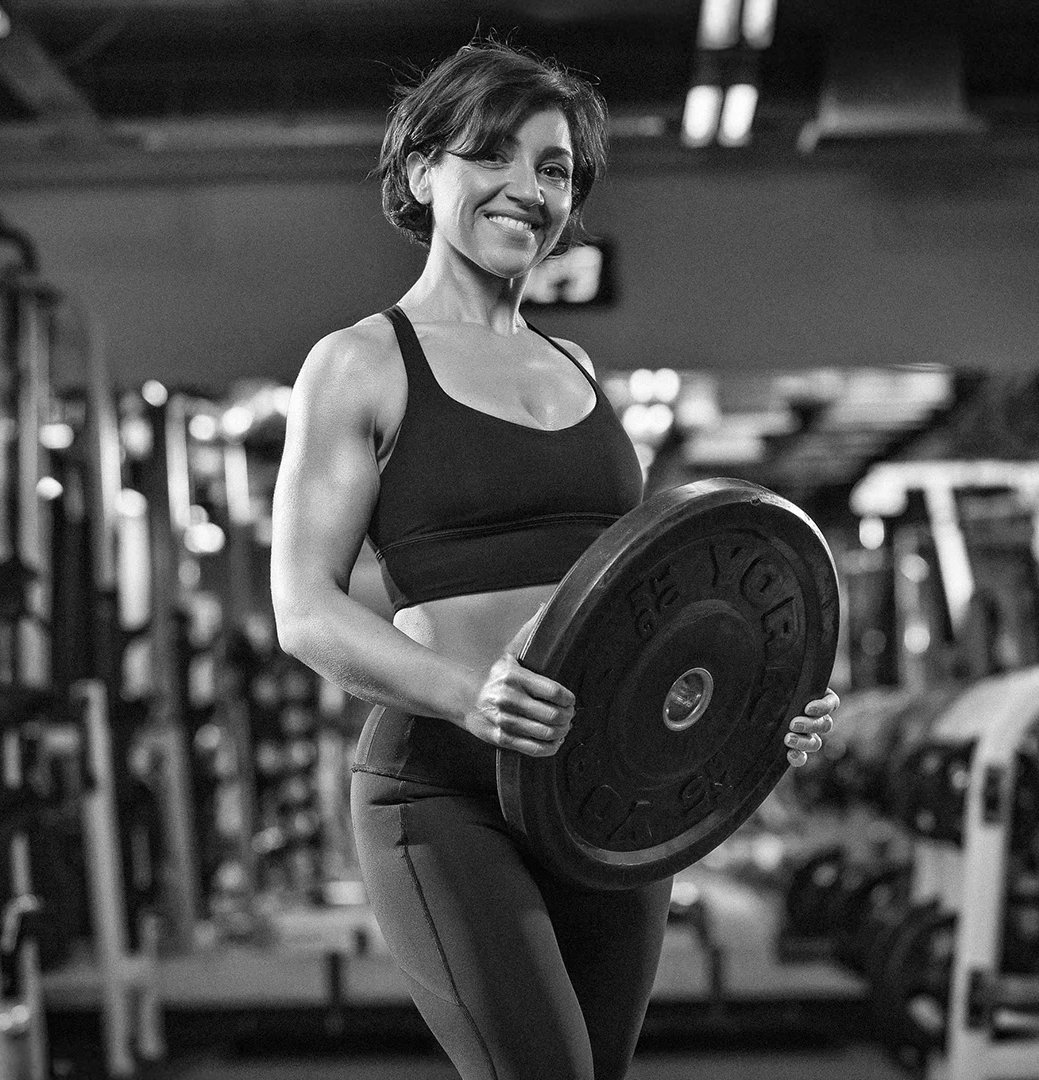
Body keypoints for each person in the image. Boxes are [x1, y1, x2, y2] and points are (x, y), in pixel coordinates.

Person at [270, 39, 838, 1080]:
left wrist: (763, 706)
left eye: (557, 169)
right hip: (443, 794)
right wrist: (466, 693)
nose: (529, 190)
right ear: (422, 171)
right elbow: (304, 609)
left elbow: (652, 602)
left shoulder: (578, 366)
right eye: (497, 155)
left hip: (605, 800)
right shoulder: (360, 362)